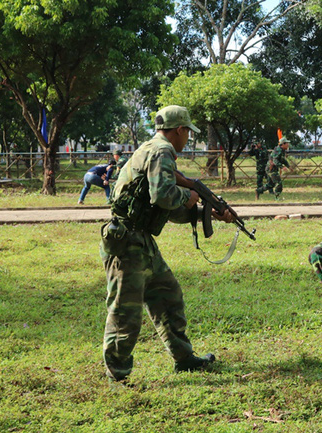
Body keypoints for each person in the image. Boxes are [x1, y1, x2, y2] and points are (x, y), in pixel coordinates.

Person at [99, 105, 234, 382]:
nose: (188, 139)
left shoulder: (156, 149)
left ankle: (184, 359)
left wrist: (206, 213)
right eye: (188, 133)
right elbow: (164, 196)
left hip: (141, 240)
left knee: (167, 295)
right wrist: (190, 196)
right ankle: (117, 374)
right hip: (127, 241)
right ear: (180, 130)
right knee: (125, 311)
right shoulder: (162, 151)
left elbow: (166, 209)